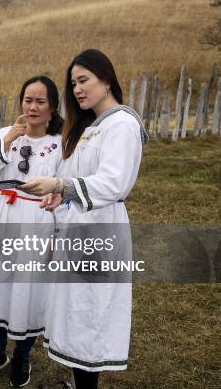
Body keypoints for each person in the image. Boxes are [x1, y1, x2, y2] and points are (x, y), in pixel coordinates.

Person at [18, 49, 149, 389]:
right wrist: (59, 194)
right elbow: (78, 178)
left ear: (106, 80)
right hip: (78, 229)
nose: (77, 89)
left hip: (101, 228)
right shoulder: (93, 127)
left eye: (84, 80)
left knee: (91, 313)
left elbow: (113, 182)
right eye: (73, 83)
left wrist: (61, 184)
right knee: (76, 312)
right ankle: (80, 383)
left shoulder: (121, 124)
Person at [0, 76, 64, 387]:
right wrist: (7, 139)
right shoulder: (6, 135)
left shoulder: (60, 143)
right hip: (6, 215)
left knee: (29, 288)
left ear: (52, 106)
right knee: (1, 286)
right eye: (28, 100)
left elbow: (65, 185)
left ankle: (22, 355)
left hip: (38, 219)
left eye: (40, 101)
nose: (32, 107)